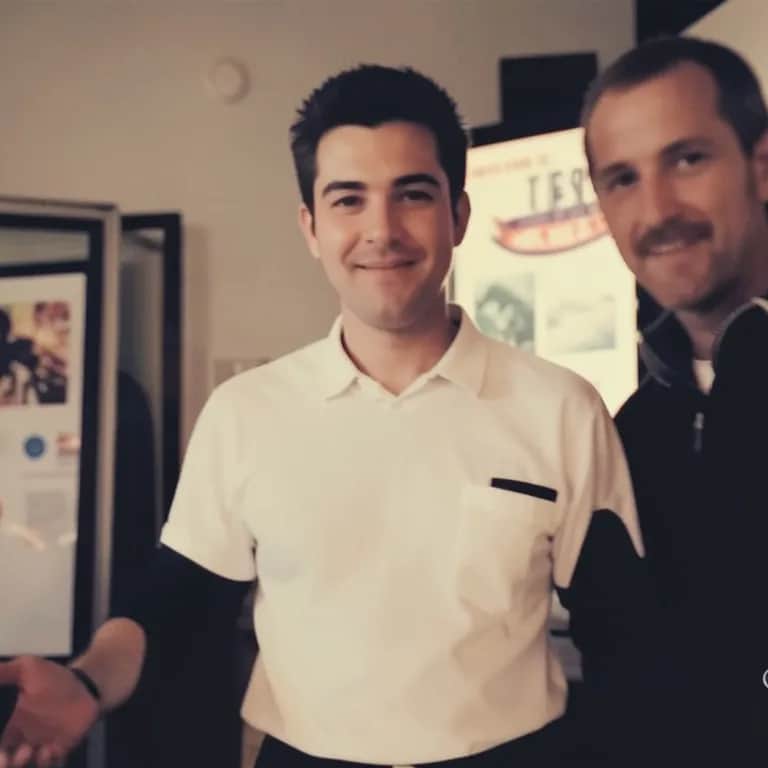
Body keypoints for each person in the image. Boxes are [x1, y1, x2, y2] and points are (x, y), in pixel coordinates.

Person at [1, 65, 650, 768]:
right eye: (348, 200)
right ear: (310, 226)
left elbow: (624, 638)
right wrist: (85, 682)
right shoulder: (247, 415)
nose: (382, 230)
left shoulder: (560, 408)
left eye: (413, 194)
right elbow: (178, 602)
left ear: (458, 215)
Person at [582, 36, 768, 761]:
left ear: (760, 164)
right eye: (622, 179)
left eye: (687, 160)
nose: (657, 210)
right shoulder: (626, 435)